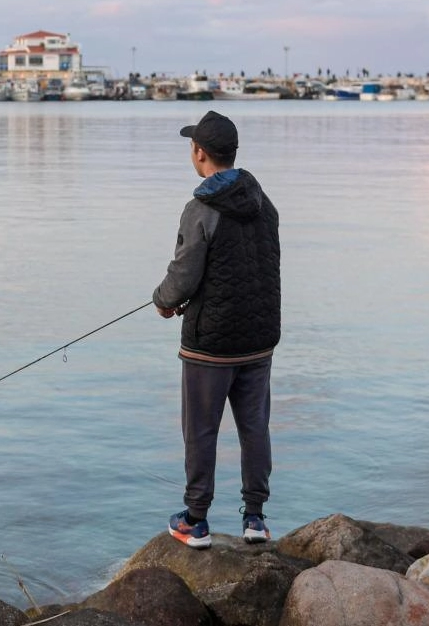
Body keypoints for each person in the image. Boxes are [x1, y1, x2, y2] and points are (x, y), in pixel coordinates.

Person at [152, 111, 281, 548]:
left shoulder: (201, 210)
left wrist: (163, 301)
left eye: (192, 147)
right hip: (259, 339)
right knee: (254, 428)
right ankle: (256, 519)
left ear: (200, 153)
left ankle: (195, 519)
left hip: (211, 343)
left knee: (201, 431)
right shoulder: (264, 203)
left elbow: (183, 276)